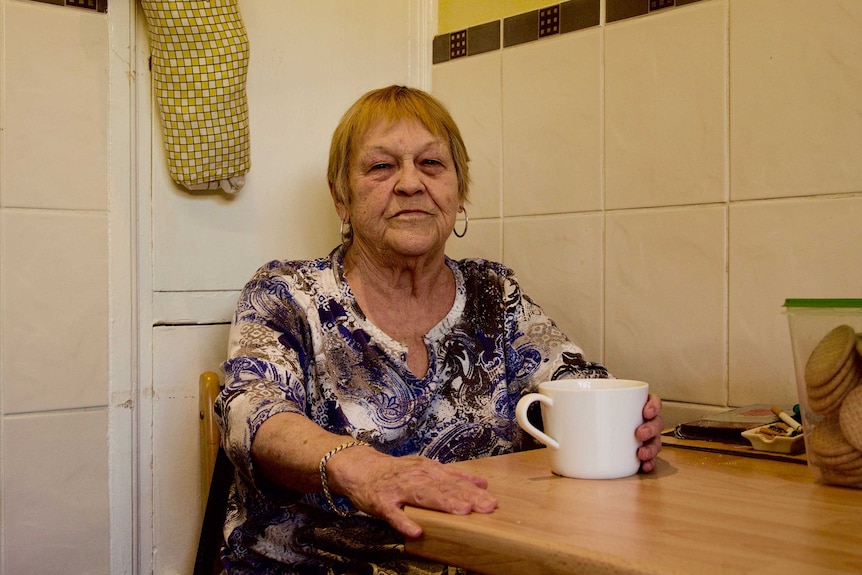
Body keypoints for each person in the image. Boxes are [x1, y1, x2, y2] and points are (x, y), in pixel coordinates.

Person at [215, 85, 664, 575]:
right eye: (381, 166)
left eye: (431, 164)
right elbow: (251, 415)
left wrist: (630, 426)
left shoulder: (496, 293)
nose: (410, 184)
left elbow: (577, 383)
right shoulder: (287, 294)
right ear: (341, 196)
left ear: (459, 192)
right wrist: (367, 469)